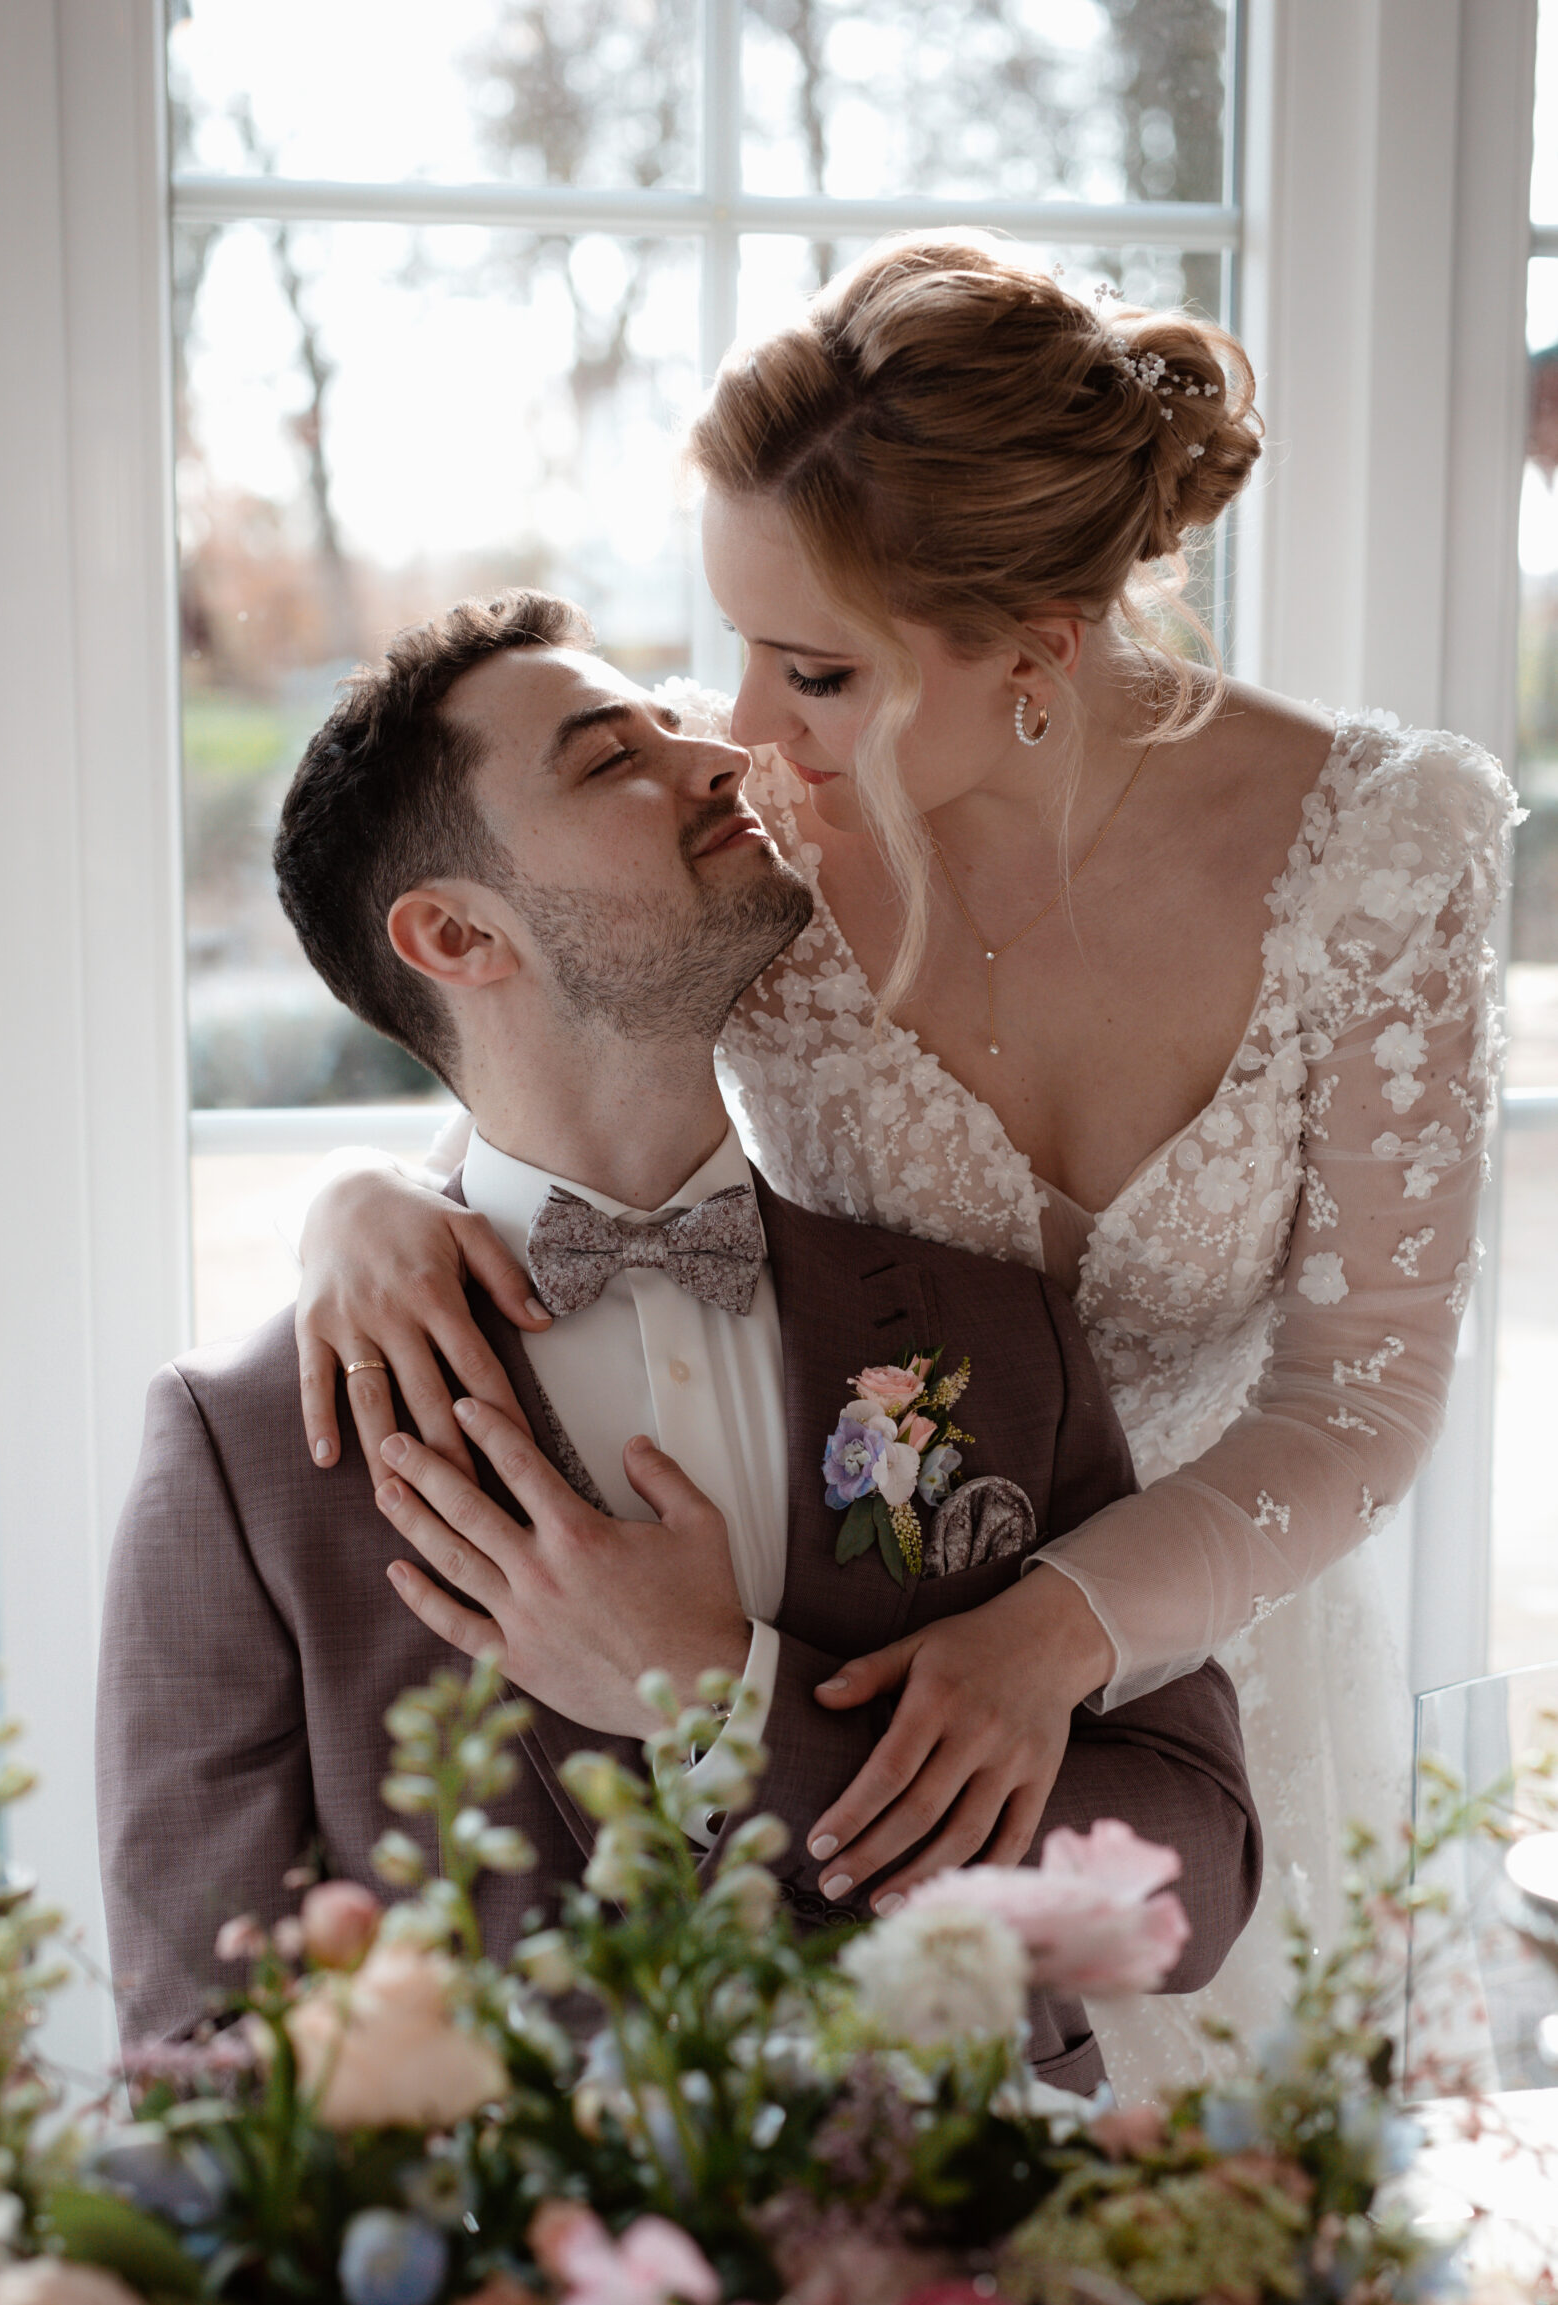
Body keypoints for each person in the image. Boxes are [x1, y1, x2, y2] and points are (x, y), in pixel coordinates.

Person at [285, 237, 1515, 2101]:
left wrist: (1060, 1633)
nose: (743, 732)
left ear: (1035, 648)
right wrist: (367, 1201)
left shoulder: (1382, 851)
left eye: (817, 669)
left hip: (1199, 1671)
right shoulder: (775, 853)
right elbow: (567, 1055)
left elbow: (1366, 1389)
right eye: (736, 648)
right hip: (830, 1652)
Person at [95, 592, 1259, 2081]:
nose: (717, 757)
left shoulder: (995, 1334)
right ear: (455, 931)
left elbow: (1200, 1876)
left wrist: (733, 1699)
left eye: (670, 721)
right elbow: (200, 2052)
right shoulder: (253, 1452)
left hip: (974, 2269)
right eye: (607, 759)